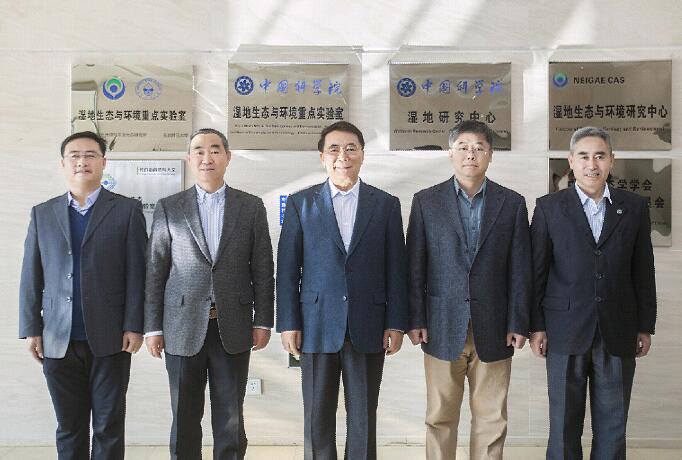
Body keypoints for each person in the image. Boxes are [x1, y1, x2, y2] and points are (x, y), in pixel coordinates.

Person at [276, 121, 408, 460]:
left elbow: (397, 269)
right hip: (316, 324)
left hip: (369, 323)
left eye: (351, 148)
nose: (343, 156)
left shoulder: (386, 204)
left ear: (362, 154)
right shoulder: (301, 204)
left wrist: (396, 323)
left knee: (363, 416)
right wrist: (288, 322)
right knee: (317, 416)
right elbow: (287, 270)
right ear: (322, 156)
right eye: (334, 149)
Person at [144, 128, 274, 460]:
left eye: (215, 149)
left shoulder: (251, 207)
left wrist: (263, 321)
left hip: (233, 325)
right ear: (189, 158)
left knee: (230, 418)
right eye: (199, 150)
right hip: (181, 326)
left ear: (228, 157)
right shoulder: (170, 207)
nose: (207, 157)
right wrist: (153, 327)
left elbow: (262, 268)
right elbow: (156, 270)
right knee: (184, 417)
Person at [406, 120, 532, 459]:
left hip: (495, 326)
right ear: (450, 153)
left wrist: (519, 321)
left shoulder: (512, 203)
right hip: (440, 324)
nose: (470, 154)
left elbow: (521, 269)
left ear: (490, 154)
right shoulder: (426, 201)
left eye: (479, 147)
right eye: (462, 147)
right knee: (439, 417)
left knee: (492, 417)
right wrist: (415, 318)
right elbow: (415, 266)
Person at [530, 126, 657, 459]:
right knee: (563, 424)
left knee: (613, 426)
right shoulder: (548, 208)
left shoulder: (633, 207)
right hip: (563, 328)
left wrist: (645, 325)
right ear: (571, 161)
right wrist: (536, 326)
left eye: (600, 156)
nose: (592, 164)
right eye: (583, 156)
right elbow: (537, 272)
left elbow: (643, 271)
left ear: (611, 160)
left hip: (619, 328)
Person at [19, 131, 147, 459]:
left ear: (104, 162)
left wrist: (135, 325)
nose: (82, 161)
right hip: (57, 337)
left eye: (90, 155)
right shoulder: (42, 213)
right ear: (62, 164)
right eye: (74, 155)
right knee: (69, 426)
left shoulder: (127, 210)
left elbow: (137, 273)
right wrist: (32, 328)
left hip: (112, 337)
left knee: (108, 425)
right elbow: (31, 275)